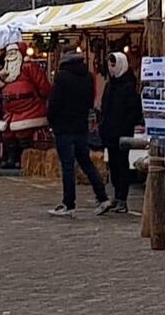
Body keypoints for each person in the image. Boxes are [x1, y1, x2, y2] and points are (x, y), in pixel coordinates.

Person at [46, 45, 112, 217]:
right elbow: (90, 101)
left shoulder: (62, 77)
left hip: (64, 127)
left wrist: (52, 122)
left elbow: (54, 103)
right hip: (80, 126)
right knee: (86, 162)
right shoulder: (88, 76)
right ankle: (102, 196)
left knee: (68, 166)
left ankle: (69, 203)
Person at [98, 52, 142, 213]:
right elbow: (105, 108)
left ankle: (122, 198)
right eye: (110, 65)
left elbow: (132, 112)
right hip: (109, 132)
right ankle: (117, 197)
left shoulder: (129, 86)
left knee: (122, 165)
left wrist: (124, 128)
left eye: (114, 65)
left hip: (122, 133)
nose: (111, 69)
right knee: (114, 166)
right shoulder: (110, 85)